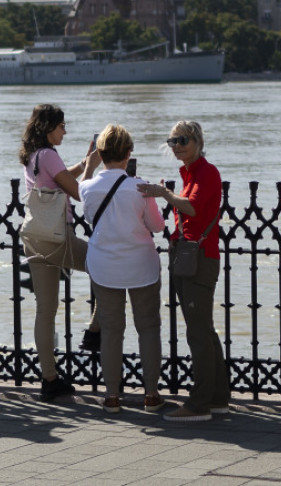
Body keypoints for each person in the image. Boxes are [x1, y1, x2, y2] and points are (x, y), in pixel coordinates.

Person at [139, 120, 229, 422]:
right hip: (189, 256)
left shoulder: (207, 172)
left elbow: (191, 208)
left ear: (198, 141)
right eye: (172, 141)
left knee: (198, 332)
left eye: (183, 140)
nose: (177, 146)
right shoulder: (189, 173)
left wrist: (163, 193)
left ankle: (200, 404)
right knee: (203, 328)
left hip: (200, 260)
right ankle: (218, 397)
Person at [80, 124, 165, 414]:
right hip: (141, 264)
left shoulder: (87, 186)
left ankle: (112, 396)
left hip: (104, 266)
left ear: (99, 153)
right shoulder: (140, 187)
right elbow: (157, 226)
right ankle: (151, 395)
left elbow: (90, 213)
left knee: (112, 331)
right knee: (148, 328)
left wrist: (88, 168)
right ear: (129, 154)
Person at [19, 104, 100, 402]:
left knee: (45, 309)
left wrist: (84, 162)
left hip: (35, 237)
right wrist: (92, 167)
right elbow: (79, 192)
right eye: (62, 125)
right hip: (57, 237)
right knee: (106, 266)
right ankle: (94, 330)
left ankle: (49, 379)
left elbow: (59, 178)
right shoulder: (50, 155)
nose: (65, 130)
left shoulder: (33, 156)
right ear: (48, 127)